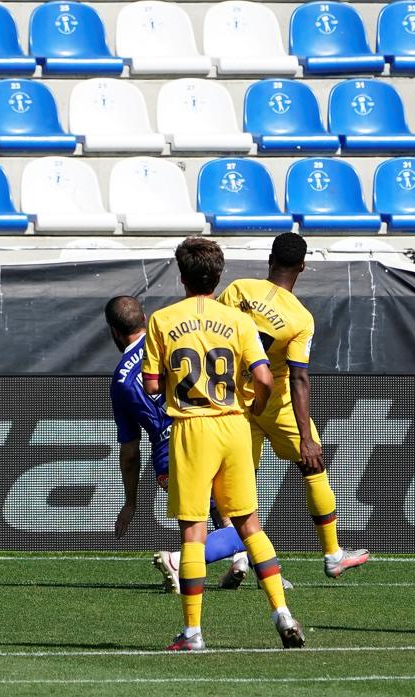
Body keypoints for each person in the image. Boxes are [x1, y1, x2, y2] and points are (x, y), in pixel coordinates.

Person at [144, 237, 304, 651]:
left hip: (192, 430)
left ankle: (193, 632)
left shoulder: (162, 319)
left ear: (181, 276)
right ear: (219, 276)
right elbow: (266, 378)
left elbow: (151, 384)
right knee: (249, 524)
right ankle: (282, 612)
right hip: (234, 424)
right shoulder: (238, 321)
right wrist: (254, 404)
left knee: (194, 532)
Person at [218, 232, 370, 579]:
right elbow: (300, 377)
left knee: (235, 484)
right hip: (277, 402)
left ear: (270, 259)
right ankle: (333, 554)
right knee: (313, 469)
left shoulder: (239, 289)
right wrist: (306, 437)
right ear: (302, 266)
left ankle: (239, 557)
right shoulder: (300, 319)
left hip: (235, 401)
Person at [105, 295, 249, 593]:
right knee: (242, 523)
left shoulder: (120, 381)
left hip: (168, 462)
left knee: (222, 514)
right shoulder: (170, 340)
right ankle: (183, 561)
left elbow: (130, 451)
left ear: (114, 332)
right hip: (203, 434)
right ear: (145, 319)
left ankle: (242, 563)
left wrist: (130, 502)